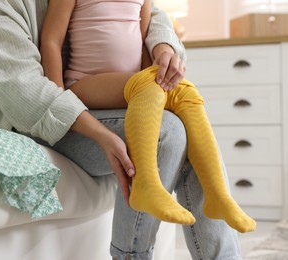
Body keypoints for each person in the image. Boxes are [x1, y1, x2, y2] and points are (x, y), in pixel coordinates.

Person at [0, 0, 244, 258]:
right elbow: (23, 91)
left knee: (185, 114)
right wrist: (99, 133)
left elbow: (146, 13)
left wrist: (164, 50)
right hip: (37, 117)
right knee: (165, 131)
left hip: (100, 98)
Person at [40, 0, 256, 233]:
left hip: (132, 84)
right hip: (84, 83)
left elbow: (143, 40)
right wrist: (59, 98)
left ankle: (218, 194)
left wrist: (157, 84)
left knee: (186, 94)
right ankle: (145, 185)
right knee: (147, 84)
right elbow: (51, 40)